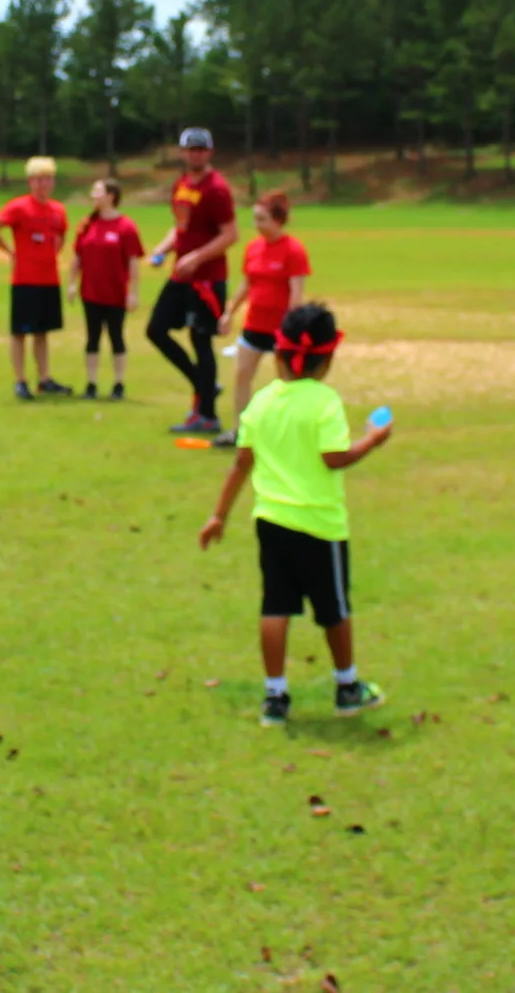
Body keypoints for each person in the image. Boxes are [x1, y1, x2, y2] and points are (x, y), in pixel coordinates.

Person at [196, 304, 390, 726]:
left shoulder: (261, 403)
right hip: (320, 525)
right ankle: (347, 687)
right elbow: (335, 457)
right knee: (334, 610)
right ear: (328, 360)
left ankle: (275, 695)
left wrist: (218, 516)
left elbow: (241, 463)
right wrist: (373, 440)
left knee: (275, 606)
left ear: (278, 356)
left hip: (271, 522)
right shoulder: (324, 402)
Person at [148, 128, 238, 435]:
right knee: (155, 330)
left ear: (209, 152)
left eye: (201, 149)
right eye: (190, 149)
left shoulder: (217, 189)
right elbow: (180, 227)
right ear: (182, 152)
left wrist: (197, 258)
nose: (195, 154)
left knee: (201, 340)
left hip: (207, 279)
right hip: (182, 275)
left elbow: (230, 234)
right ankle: (205, 384)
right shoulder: (182, 184)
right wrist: (162, 250)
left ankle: (208, 415)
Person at [218, 190, 309, 446]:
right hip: (254, 324)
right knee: (242, 375)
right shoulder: (253, 248)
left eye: (262, 219)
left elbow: (296, 293)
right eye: (255, 219)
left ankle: (288, 433)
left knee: (287, 382)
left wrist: (291, 328)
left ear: (278, 220)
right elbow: (247, 283)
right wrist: (229, 311)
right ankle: (240, 431)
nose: (256, 225)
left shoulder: (293, 250)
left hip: (281, 328)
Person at [0, 157, 71, 400]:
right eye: (39, 179)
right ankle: (20, 380)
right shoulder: (19, 207)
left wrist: (51, 254)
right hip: (24, 279)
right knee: (20, 332)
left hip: (49, 279)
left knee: (42, 332)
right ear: (30, 182)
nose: (44, 184)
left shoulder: (58, 210)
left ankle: (44, 379)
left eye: (48, 179)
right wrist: (10, 251)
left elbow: (61, 235)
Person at [68, 178, 144, 401]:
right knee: (92, 337)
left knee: (116, 336)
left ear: (111, 196)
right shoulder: (87, 224)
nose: (93, 195)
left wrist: (133, 292)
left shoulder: (125, 226)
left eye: (98, 191)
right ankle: (91, 383)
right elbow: (77, 257)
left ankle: (118, 383)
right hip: (90, 292)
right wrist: (71, 283)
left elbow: (133, 261)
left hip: (115, 294)